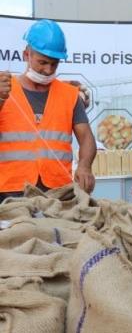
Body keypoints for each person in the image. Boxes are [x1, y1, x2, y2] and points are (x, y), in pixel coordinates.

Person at [0, 19, 97, 201]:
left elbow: (86, 138)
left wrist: (85, 166)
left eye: (54, 64)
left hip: (58, 194)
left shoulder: (70, 95)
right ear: (26, 55)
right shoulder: (4, 89)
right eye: (42, 62)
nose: (48, 70)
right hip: (9, 193)